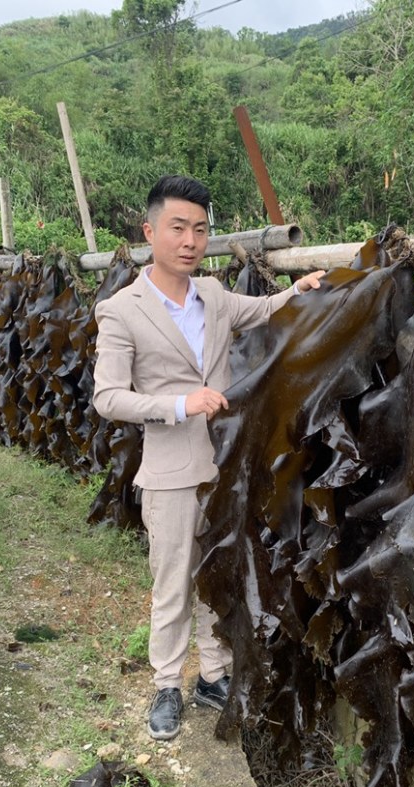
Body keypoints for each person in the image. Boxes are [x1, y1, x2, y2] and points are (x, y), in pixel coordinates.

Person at [92, 174, 325, 741]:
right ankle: (167, 684)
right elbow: (107, 397)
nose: (191, 240)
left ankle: (213, 675)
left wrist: (300, 290)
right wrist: (179, 403)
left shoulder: (215, 297)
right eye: (178, 228)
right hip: (171, 474)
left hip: (226, 469)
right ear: (150, 232)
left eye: (200, 229)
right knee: (173, 581)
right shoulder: (121, 311)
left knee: (216, 575)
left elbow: (265, 308)